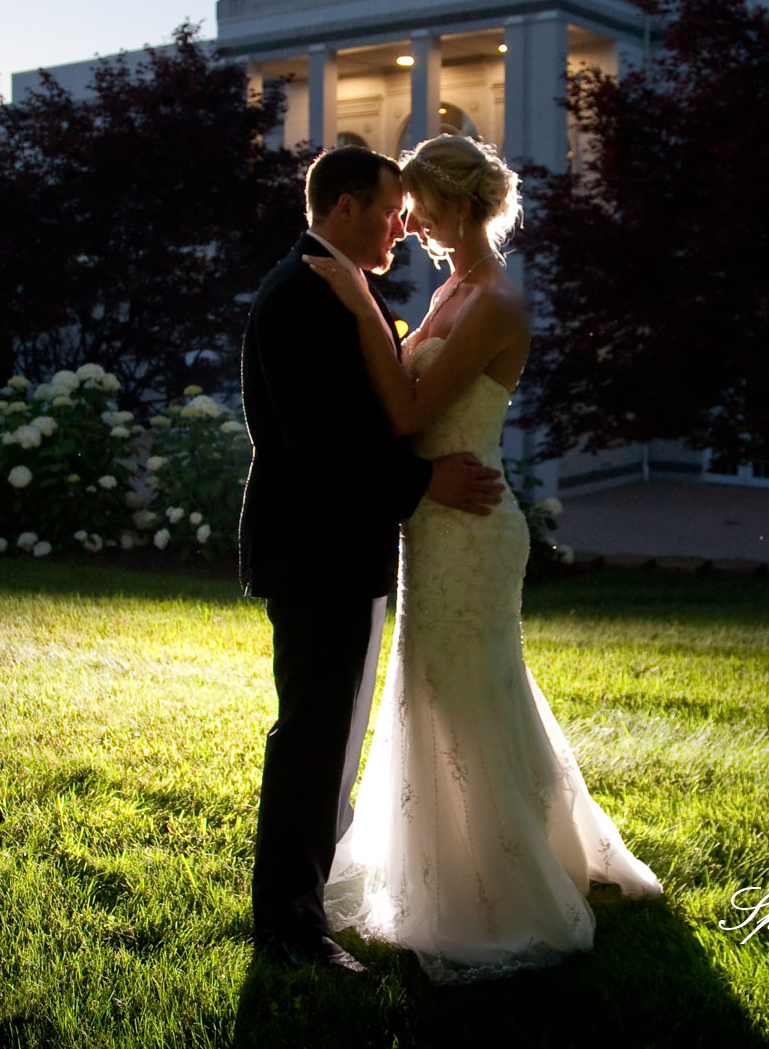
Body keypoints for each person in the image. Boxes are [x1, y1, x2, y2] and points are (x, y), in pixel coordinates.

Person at [304, 134, 662, 984]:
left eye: (418, 205)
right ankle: (490, 854)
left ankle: (500, 888)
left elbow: (409, 410)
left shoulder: (496, 300)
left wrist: (360, 308)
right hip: (433, 519)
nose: (407, 220)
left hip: (472, 527)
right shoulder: (451, 287)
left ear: (458, 206)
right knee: (447, 685)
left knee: (464, 689)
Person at [240, 145, 504, 973]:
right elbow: (321, 444)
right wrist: (425, 480)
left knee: (331, 736)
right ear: (345, 207)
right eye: (391, 211)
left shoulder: (339, 289)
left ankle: (303, 907)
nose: (402, 227)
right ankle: (290, 929)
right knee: (315, 739)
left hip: (341, 551)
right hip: (316, 554)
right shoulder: (300, 298)